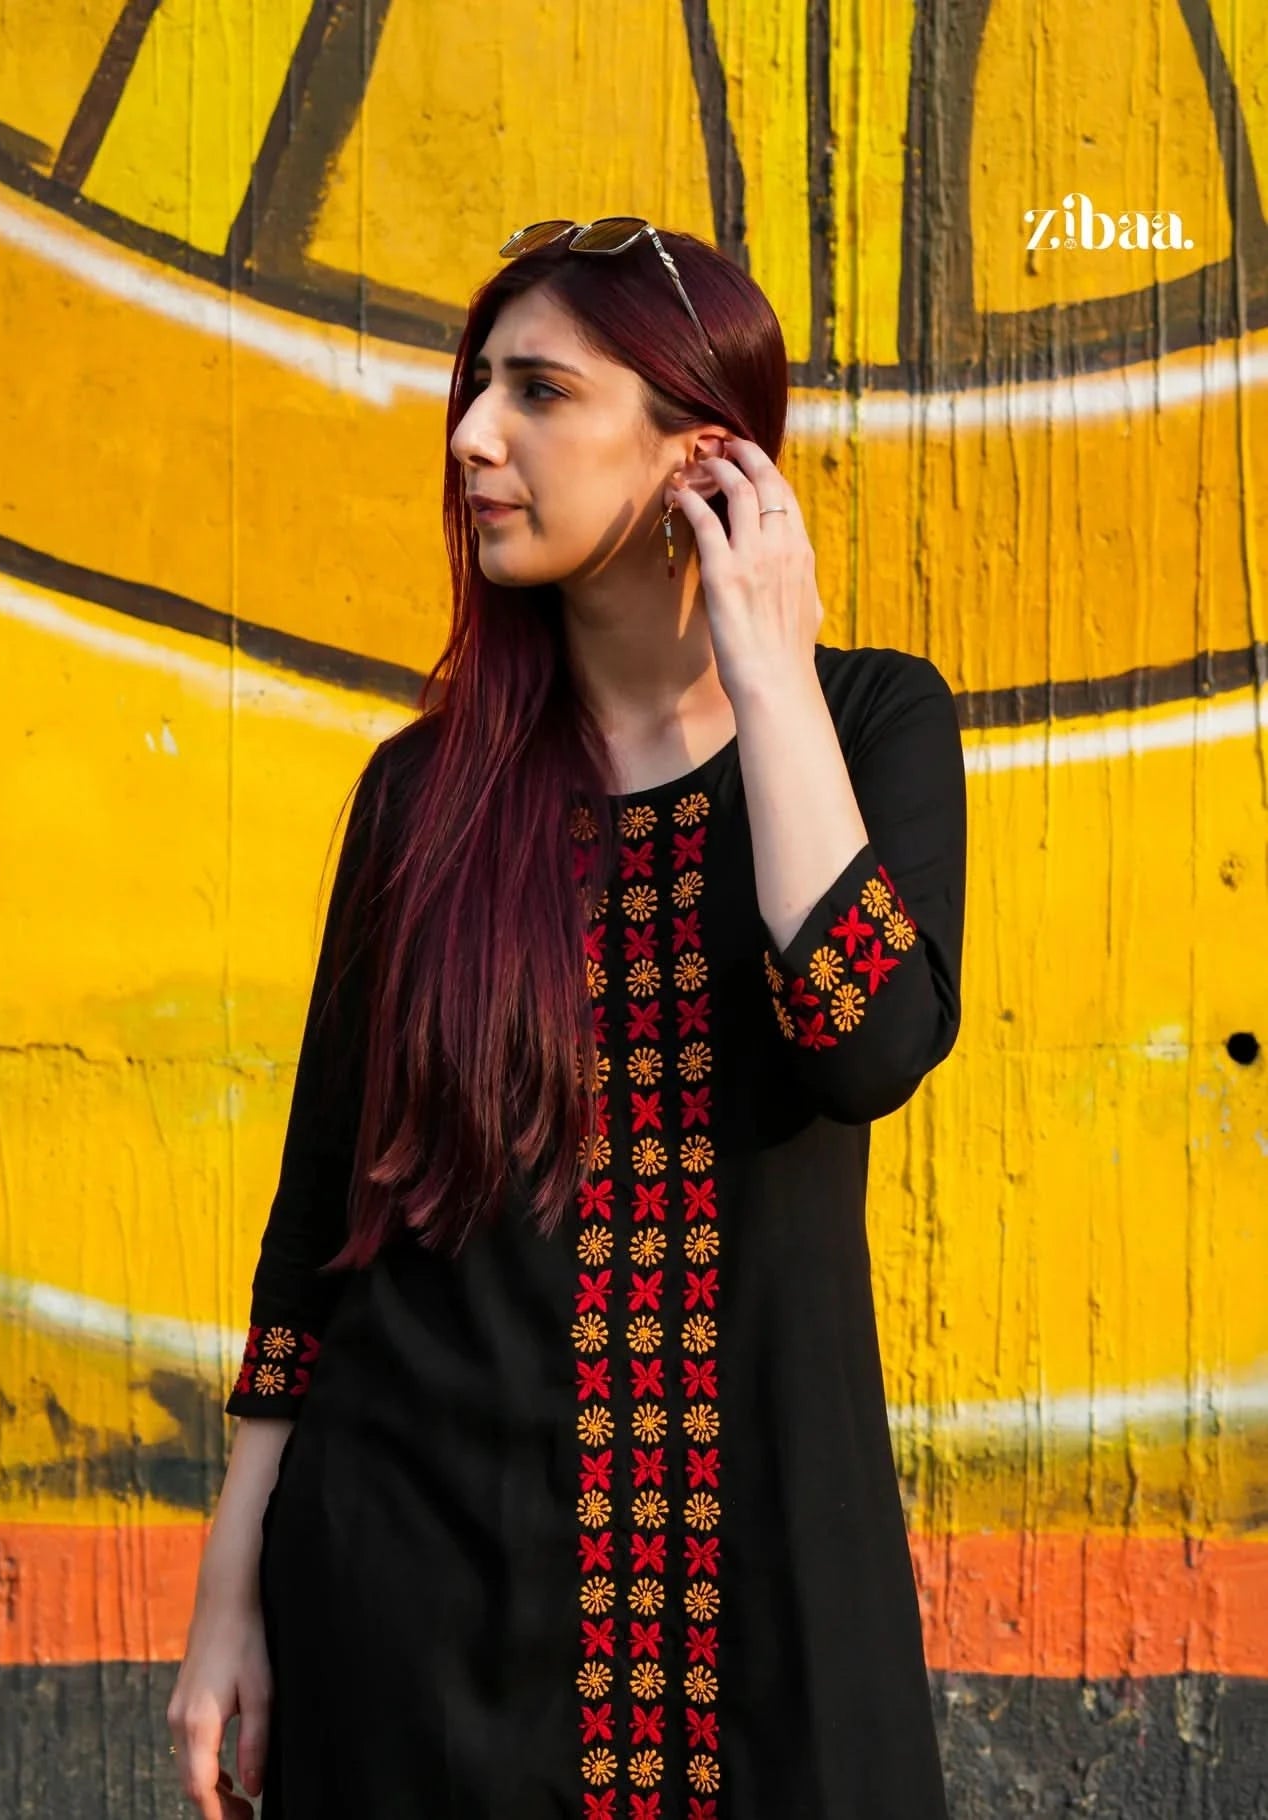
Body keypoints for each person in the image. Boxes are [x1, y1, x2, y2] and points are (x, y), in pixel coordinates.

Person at [167, 217, 967, 1820]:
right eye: (475, 388)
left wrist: (771, 672)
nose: (472, 437)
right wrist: (226, 1601)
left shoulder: (869, 722)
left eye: (539, 392)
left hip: (757, 1622)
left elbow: (866, 1040)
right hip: (413, 1605)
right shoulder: (425, 796)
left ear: (700, 452)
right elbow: (323, 1212)